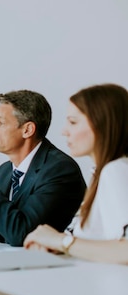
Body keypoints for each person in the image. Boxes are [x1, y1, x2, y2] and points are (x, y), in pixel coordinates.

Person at [0, 90, 87, 246]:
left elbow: (22, 234)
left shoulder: (59, 170)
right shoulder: (4, 171)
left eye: (0, 122)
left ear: (27, 130)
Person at [24, 84, 128, 264]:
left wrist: (61, 241)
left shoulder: (116, 170)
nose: (64, 131)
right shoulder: (100, 173)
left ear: (102, 124)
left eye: (73, 122)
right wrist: (53, 244)